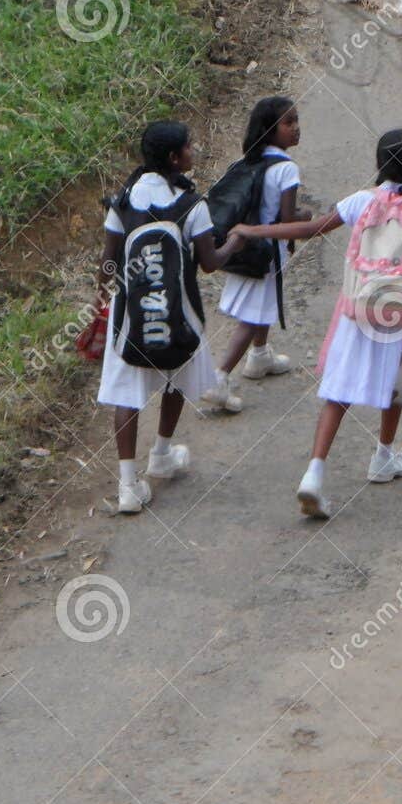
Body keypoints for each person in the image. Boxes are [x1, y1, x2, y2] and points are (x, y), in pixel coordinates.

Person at [235, 128, 402, 519]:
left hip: (356, 309)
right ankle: (384, 456)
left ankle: (315, 472)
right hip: (399, 314)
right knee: (395, 385)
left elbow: (310, 229)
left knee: (337, 394)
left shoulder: (362, 201)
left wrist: (256, 231)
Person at [97, 120, 243, 515]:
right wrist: (235, 241)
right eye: (189, 147)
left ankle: (128, 485)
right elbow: (210, 263)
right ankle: (161, 452)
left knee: (126, 394)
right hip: (178, 314)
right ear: (175, 158)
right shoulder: (192, 205)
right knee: (175, 377)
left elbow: (108, 265)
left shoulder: (122, 202)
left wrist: (106, 304)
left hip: (130, 318)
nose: (193, 152)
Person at [203, 97, 302, 414]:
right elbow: (287, 221)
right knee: (252, 315)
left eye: (296, 120)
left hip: (243, 246)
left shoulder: (247, 162)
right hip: (267, 250)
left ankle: (260, 356)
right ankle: (218, 378)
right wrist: (307, 215)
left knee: (261, 304)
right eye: (288, 123)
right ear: (270, 129)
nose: (296, 128)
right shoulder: (287, 169)